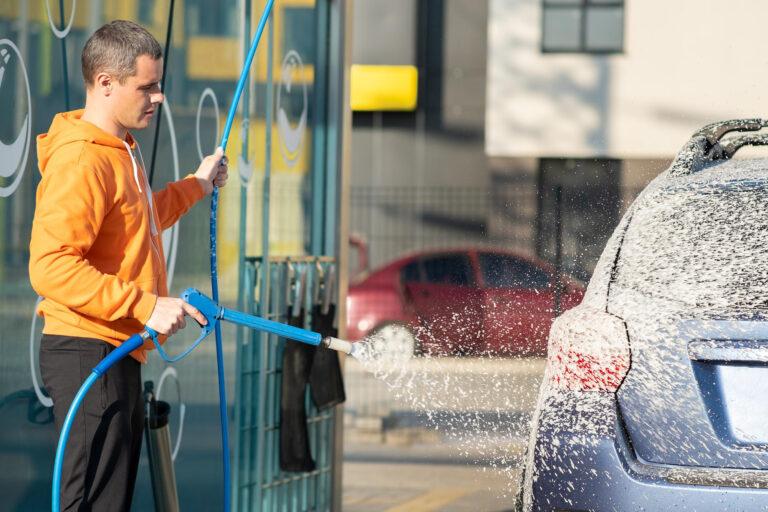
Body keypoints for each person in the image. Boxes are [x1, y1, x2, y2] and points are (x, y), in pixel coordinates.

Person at [28, 20, 228, 511]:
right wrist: (145, 305)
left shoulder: (120, 152)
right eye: (147, 86)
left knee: (109, 501)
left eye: (159, 84)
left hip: (113, 349)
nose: (158, 97)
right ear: (105, 83)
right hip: (87, 351)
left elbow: (139, 221)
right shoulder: (83, 160)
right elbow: (50, 265)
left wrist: (197, 185)